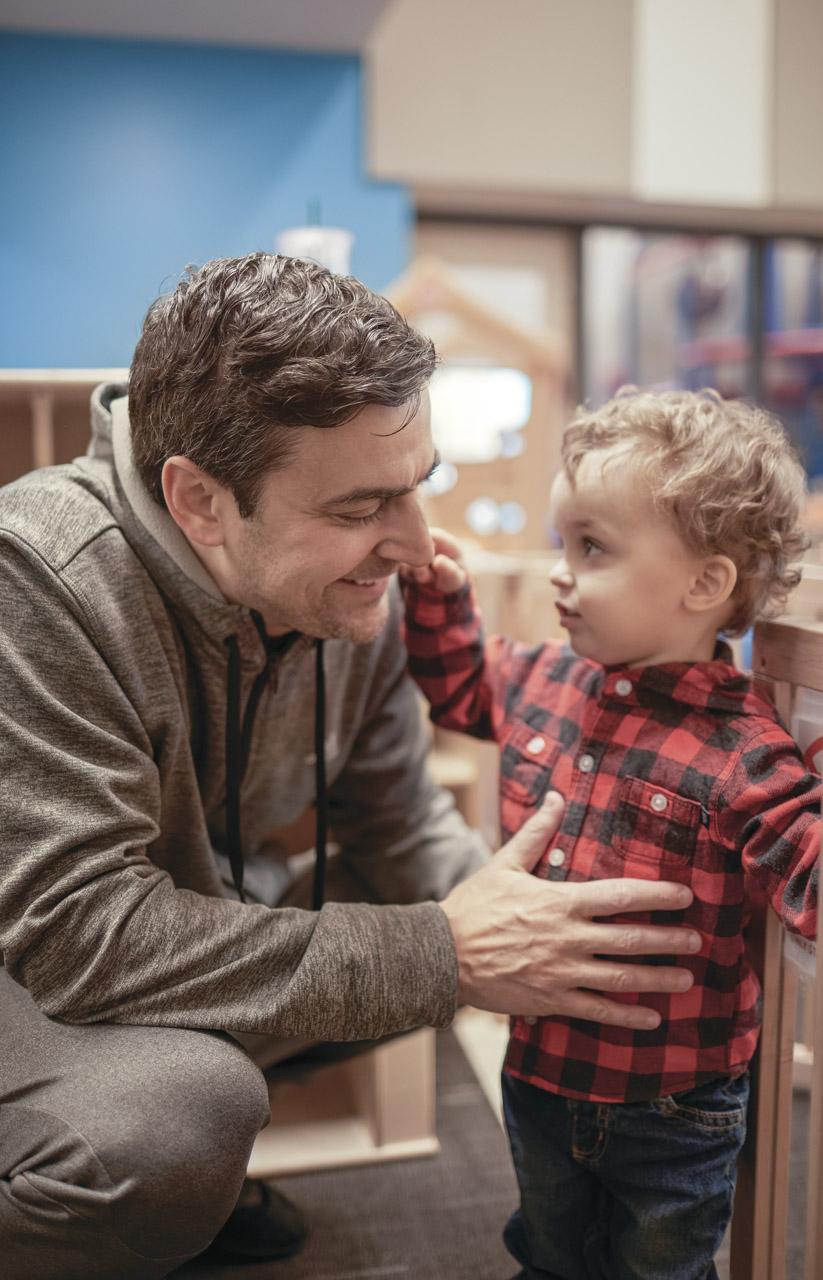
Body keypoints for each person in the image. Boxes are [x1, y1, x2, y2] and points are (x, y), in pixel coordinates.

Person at [0, 256, 701, 1280]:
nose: (417, 549)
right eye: (361, 508)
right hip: (30, 956)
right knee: (182, 1118)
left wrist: (571, 944)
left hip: (160, 925)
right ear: (198, 498)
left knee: (426, 908)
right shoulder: (38, 581)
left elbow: (398, 826)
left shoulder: (345, 599)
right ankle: (126, 1183)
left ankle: (178, 1188)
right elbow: (79, 936)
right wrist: (445, 953)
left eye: (418, 487)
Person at [402, 386, 820, 1280]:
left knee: (657, 1270)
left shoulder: (745, 755)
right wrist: (438, 601)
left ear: (702, 585)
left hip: (673, 1105)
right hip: (539, 1071)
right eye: (564, 542)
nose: (560, 570)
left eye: (591, 547)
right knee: (546, 1251)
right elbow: (461, 688)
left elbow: (808, 882)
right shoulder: (546, 677)